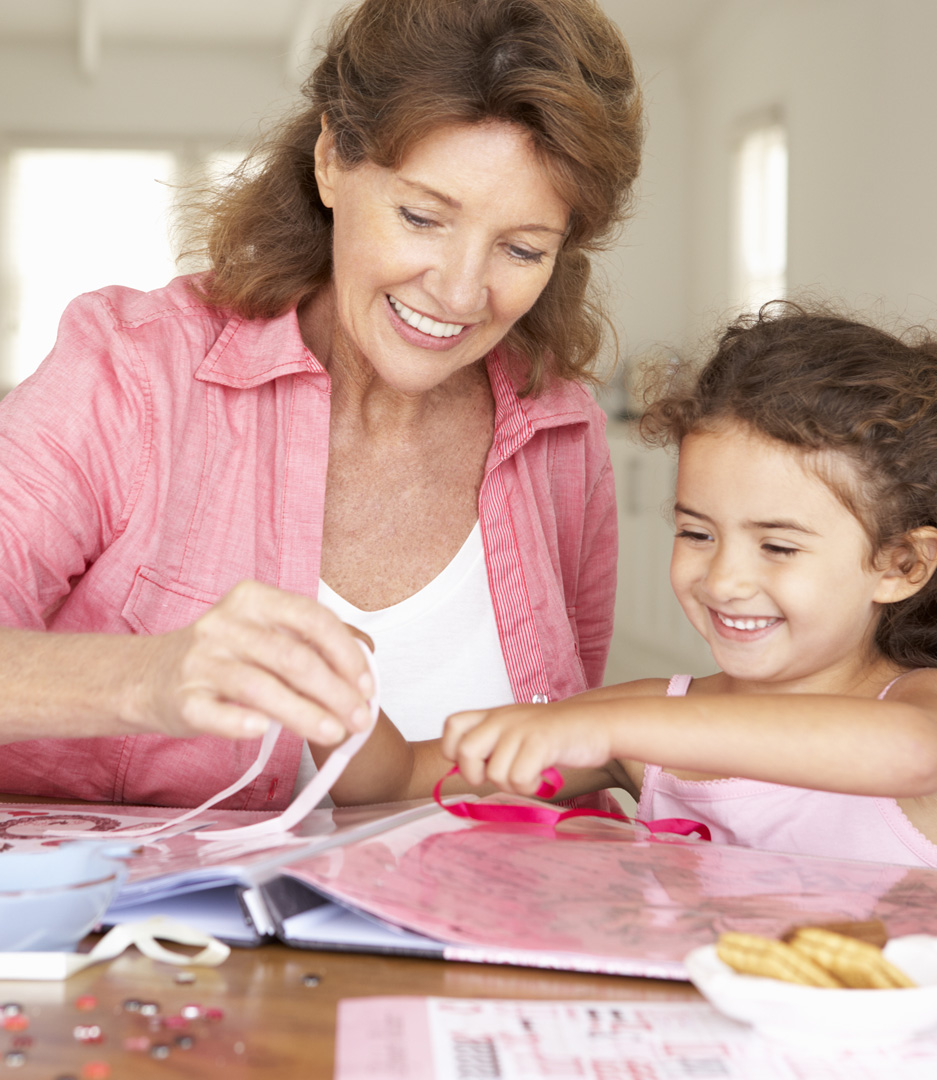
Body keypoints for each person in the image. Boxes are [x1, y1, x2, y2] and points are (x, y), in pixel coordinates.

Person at [0, 0, 642, 809]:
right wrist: (151, 676)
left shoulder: (561, 429)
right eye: (421, 216)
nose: (458, 290)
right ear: (334, 157)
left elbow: (562, 766)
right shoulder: (132, 368)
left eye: (521, 249)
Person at [359, 304, 937, 877]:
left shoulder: (926, 708)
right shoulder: (651, 721)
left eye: (779, 546)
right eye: (697, 533)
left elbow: (916, 753)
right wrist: (337, 708)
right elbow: (400, 779)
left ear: (900, 564)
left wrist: (606, 728)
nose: (725, 579)